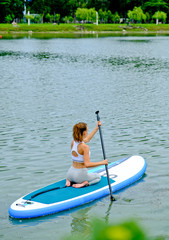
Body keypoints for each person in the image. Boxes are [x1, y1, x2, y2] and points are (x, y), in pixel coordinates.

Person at [66, 121, 108, 188]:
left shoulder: (73, 142)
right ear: (84, 132)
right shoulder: (85, 147)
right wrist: (103, 162)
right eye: (87, 130)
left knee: (72, 176)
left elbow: (87, 139)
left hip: (70, 173)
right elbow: (87, 164)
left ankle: (68, 180)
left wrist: (96, 128)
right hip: (79, 176)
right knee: (98, 177)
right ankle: (84, 183)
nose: (88, 132)